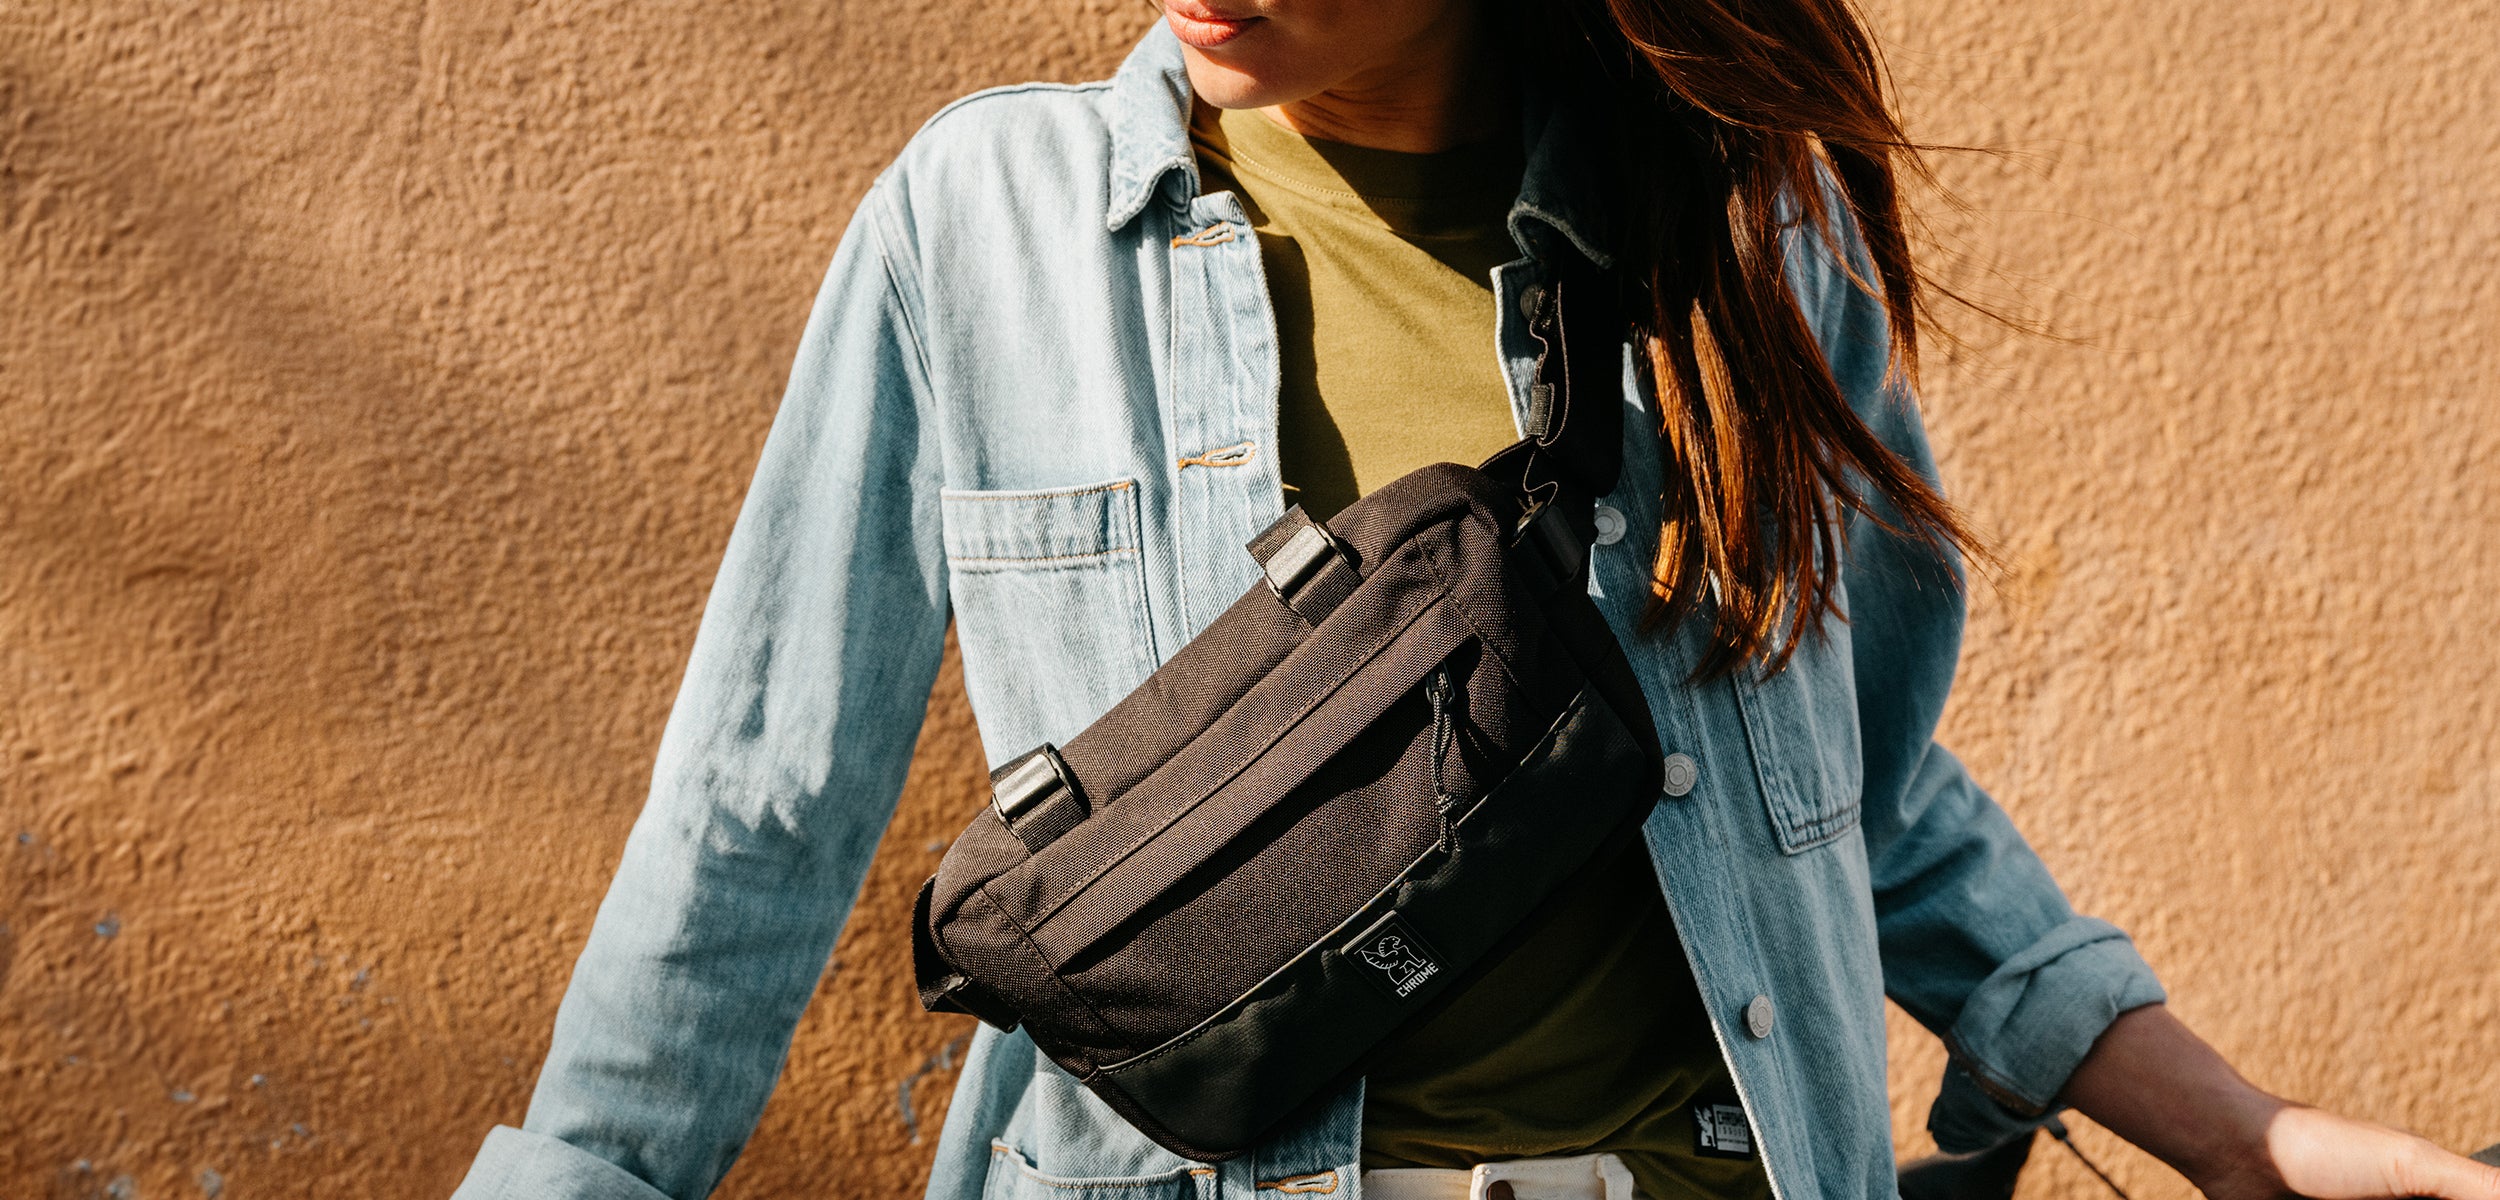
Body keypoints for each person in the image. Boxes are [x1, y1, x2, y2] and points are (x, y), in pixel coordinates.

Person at [448, 3, 2500, 1200]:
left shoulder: (1740, 235)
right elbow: (759, 803)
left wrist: (2233, 1133)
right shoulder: (979, 227)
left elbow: (1849, 790)